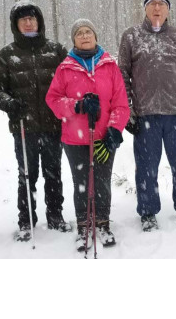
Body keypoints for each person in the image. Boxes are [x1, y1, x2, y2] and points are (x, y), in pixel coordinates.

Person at [118, 0, 176, 232]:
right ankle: (148, 212)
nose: (157, 8)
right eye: (152, 4)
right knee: (146, 168)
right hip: (145, 115)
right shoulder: (131, 36)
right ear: (145, 8)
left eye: (161, 4)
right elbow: (122, 77)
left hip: (175, 114)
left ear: (167, 10)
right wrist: (129, 113)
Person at [46, 19, 129, 251]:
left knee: (102, 181)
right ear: (74, 40)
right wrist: (77, 105)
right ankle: (84, 225)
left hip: (103, 137)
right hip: (74, 139)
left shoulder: (109, 66)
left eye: (88, 32)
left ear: (95, 36)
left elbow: (121, 103)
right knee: (81, 182)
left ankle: (102, 223)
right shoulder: (65, 68)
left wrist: (114, 129)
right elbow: (53, 99)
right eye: (79, 33)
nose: (84, 36)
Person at [0, 1, 70, 242]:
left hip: (53, 124)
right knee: (27, 175)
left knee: (53, 172)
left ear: (39, 21)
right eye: (23, 19)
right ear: (16, 24)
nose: (28, 22)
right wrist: (9, 103)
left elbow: (70, 82)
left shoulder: (56, 51)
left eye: (32, 18)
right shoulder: (7, 55)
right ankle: (26, 220)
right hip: (24, 126)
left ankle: (55, 215)